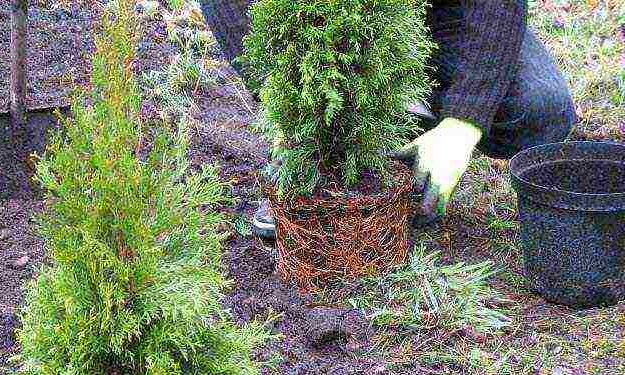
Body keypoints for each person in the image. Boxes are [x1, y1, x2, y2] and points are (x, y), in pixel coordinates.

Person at [199, 0, 578, 237]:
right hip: (310, 24)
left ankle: (417, 117)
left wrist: (464, 122)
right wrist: (288, 105)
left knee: (538, 109)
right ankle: (318, 145)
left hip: (439, 14)